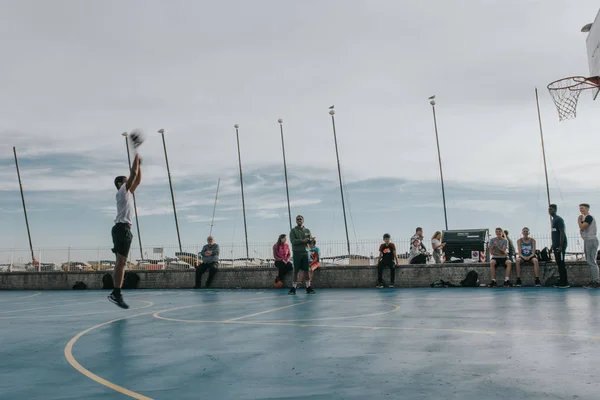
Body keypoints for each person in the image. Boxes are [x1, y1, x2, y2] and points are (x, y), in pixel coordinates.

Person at [108, 153, 142, 309]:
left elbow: (137, 179)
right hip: (122, 228)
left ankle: (116, 292)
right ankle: (116, 293)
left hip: (122, 229)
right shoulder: (122, 191)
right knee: (121, 263)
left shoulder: (127, 193)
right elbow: (133, 174)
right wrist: (135, 154)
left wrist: (139, 164)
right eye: (127, 181)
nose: (130, 182)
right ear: (120, 183)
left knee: (120, 263)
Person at [289, 215, 314, 294]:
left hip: (305, 253)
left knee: (306, 271)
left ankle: (308, 287)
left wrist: (311, 240)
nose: (299, 220)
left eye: (300, 219)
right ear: (296, 221)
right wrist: (302, 241)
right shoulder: (293, 231)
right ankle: (293, 288)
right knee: (296, 271)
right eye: (298, 219)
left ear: (303, 220)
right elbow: (293, 241)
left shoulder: (307, 230)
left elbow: (310, 242)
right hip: (296, 253)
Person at [578, 203, 600, 289]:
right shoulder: (586, 218)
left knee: (591, 261)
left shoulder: (589, 217)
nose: (581, 210)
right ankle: (594, 280)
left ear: (587, 209)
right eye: (580, 209)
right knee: (590, 261)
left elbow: (582, 227)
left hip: (591, 240)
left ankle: (596, 281)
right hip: (588, 240)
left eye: (582, 208)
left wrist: (579, 220)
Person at [549, 204, 569, 288]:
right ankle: (561, 280)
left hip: (560, 246)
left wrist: (560, 246)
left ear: (555, 210)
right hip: (555, 245)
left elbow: (562, 233)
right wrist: (552, 246)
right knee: (558, 263)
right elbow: (555, 234)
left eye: (551, 209)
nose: (549, 211)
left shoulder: (559, 219)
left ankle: (565, 282)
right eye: (549, 210)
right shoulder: (553, 220)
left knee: (561, 263)